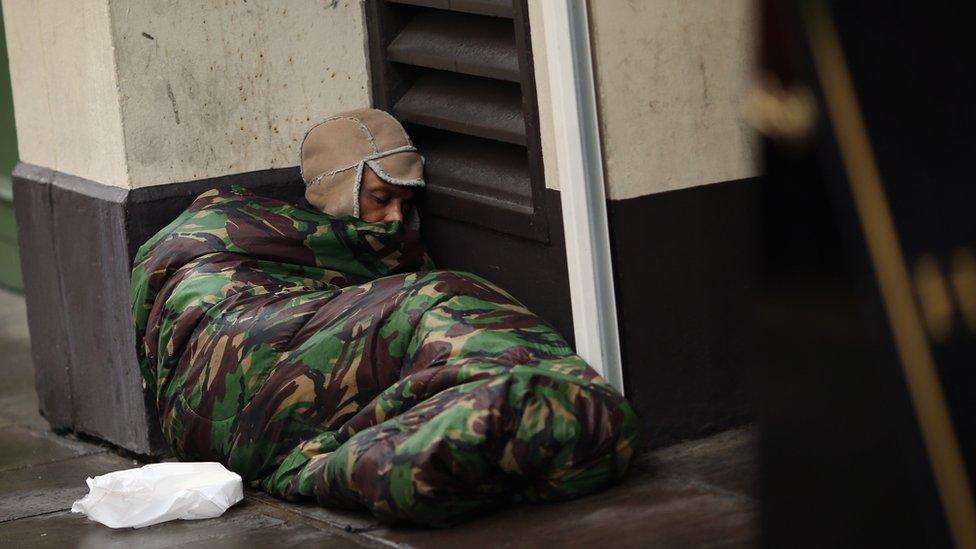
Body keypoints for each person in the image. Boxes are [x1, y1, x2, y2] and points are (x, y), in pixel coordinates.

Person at [131, 108, 640, 527]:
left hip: (201, 431)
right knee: (442, 296)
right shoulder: (237, 233)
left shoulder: (329, 253)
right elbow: (183, 286)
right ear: (338, 190)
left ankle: (411, 457)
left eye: (406, 203)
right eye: (381, 198)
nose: (397, 218)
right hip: (232, 369)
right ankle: (542, 404)